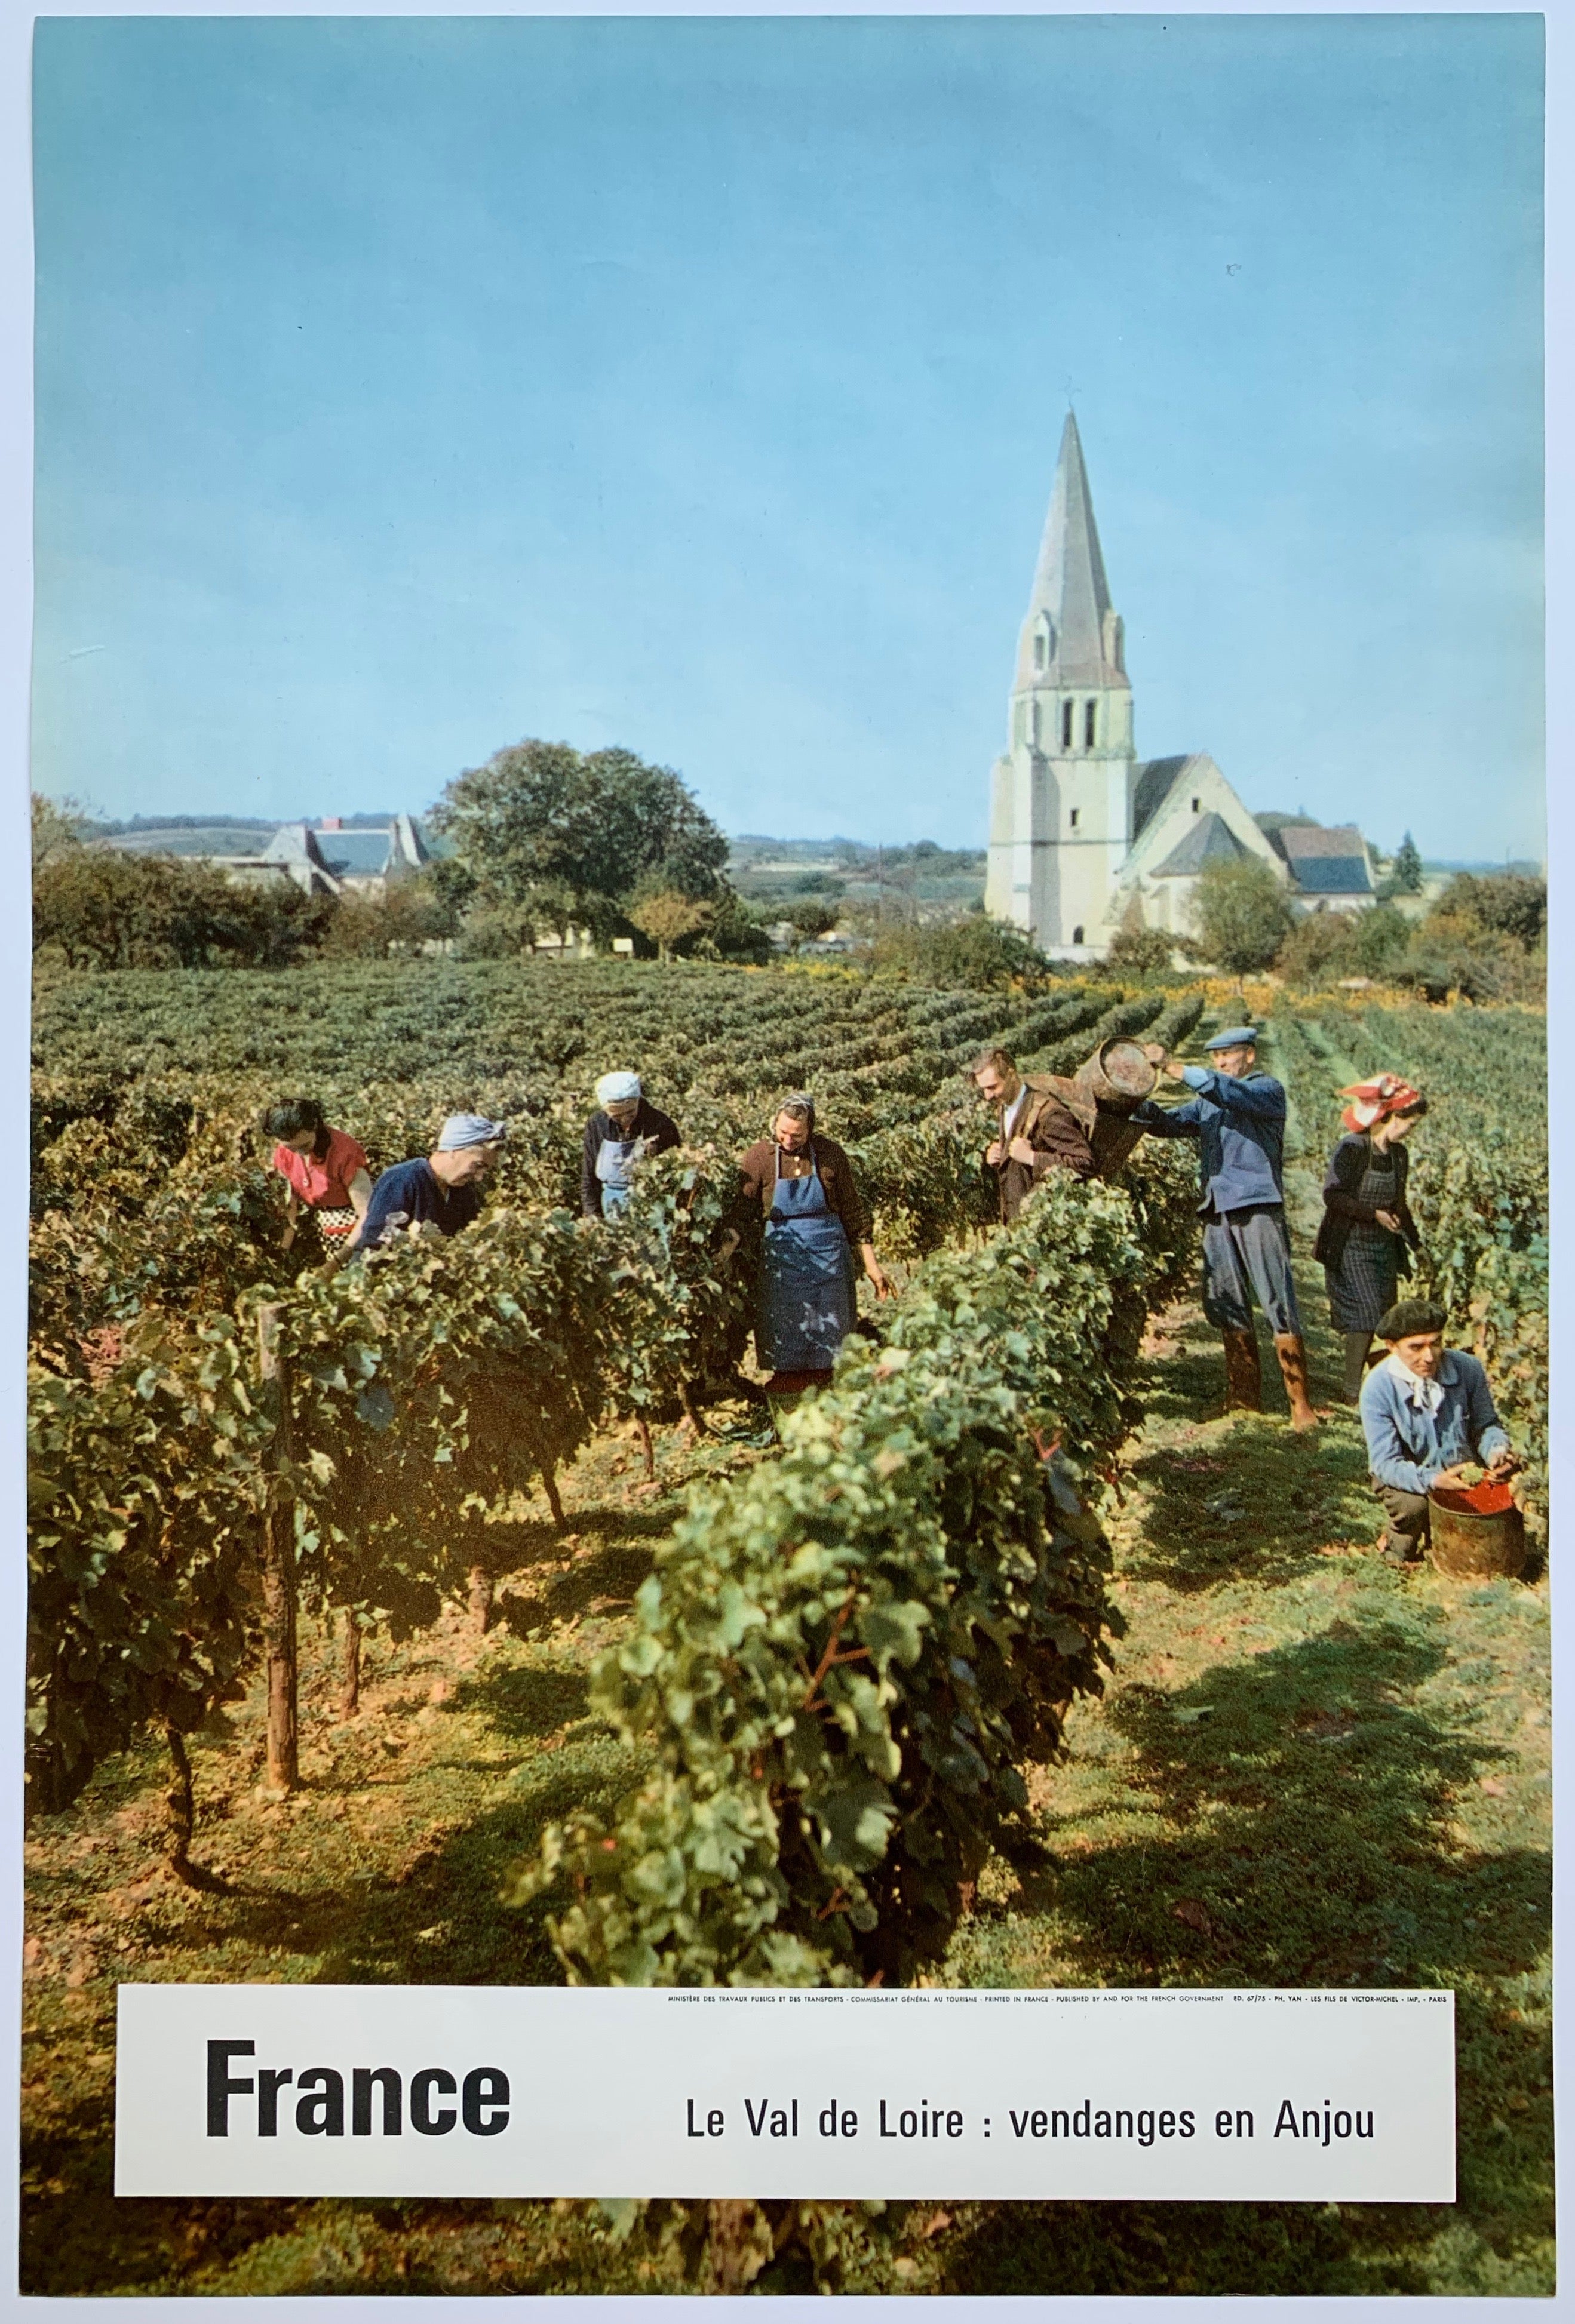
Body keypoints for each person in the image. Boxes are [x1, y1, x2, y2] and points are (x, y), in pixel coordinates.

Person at [1132, 1025, 1318, 1430]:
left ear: (1249, 1056)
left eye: (1227, 1055)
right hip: (1216, 1208)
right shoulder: (1207, 1103)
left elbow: (1223, 1091)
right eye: (1215, 1057)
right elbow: (1168, 1124)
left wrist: (1171, 1067)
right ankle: (1243, 1398)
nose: (1220, 1062)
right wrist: (1134, 1098)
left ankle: (1299, 1405)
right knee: (1227, 1300)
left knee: (1276, 1299)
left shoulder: (1264, 1090)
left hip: (1256, 1205)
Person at [730, 1093, 890, 1391]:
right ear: (774, 1123)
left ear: (811, 1130)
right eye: (783, 1132)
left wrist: (872, 1265)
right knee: (788, 1331)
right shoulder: (759, 1158)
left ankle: (833, 1393)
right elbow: (740, 1214)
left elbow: (854, 1211)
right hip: (783, 1259)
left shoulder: (830, 1154)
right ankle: (790, 1394)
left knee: (831, 1331)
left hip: (828, 1256)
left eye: (797, 1135)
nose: (788, 1140)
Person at [1359, 1296, 1520, 1567]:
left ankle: (1453, 1538)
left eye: (1436, 1343)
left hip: (1461, 1466)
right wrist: (1434, 1480)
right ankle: (1398, 1541)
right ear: (1391, 1347)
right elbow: (1385, 1463)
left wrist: (1497, 1450)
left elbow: (1486, 1425)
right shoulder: (1378, 1388)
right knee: (1415, 1508)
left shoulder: (1467, 1369)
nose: (1430, 1356)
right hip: (1410, 1474)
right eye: (1416, 1347)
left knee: (1511, 1489)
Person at [1314, 1075, 1427, 1403]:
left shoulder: (1398, 1156)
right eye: (1410, 1123)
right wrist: (1372, 1214)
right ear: (1390, 1115)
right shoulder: (1353, 1147)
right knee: (1364, 1313)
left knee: (1383, 1317)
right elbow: (1333, 1196)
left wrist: (1417, 1245)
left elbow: (1399, 1205)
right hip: (1349, 1244)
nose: (1410, 1131)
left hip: (1383, 1247)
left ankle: (1380, 1374)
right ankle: (1352, 1390)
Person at [971, 1047, 1097, 1224]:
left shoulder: (1049, 1114)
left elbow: (1085, 1164)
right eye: (984, 1089)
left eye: (992, 1087)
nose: (987, 1096)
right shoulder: (1005, 1105)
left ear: (1011, 1074)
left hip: (1049, 1223)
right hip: (1022, 1223)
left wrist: (1032, 1157)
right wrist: (1000, 1155)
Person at [350, 1114, 506, 1253]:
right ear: (453, 1151)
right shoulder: (403, 1180)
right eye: (478, 1165)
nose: (479, 1178)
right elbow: (372, 1246)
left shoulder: (463, 1192)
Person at [265, 1099, 373, 1256]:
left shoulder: (346, 1153)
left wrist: (336, 1262)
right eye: (291, 1149)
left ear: (315, 1125)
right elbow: (291, 1211)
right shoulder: (284, 1154)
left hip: (358, 1232)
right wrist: (283, 1252)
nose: (299, 1154)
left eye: (304, 1146)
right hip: (324, 1228)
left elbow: (368, 1216)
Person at [581, 1071, 682, 1221]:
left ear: (638, 1100)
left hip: (650, 1209)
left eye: (630, 1112)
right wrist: (592, 1214)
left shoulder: (661, 1125)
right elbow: (589, 1175)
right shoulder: (597, 1124)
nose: (624, 1119)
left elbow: (675, 1179)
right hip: (610, 1205)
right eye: (616, 1116)